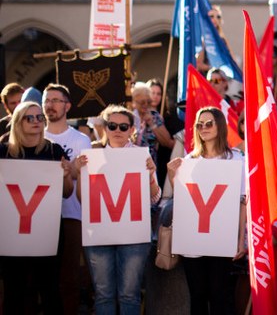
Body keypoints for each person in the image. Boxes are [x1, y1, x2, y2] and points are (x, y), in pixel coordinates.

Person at [74, 104, 160, 315]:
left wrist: (149, 176)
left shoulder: (142, 156)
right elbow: (83, 199)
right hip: (100, 234)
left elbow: (155, 198)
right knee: (103, 295)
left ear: (132, 130)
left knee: (129, 295)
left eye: (124, 126)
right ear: (105, 128)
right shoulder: (92, 155)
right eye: (112, 126)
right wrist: (79, 174)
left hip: (133, 236)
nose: (118, 131)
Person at [166, 107, 246, 315]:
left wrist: (240, 240)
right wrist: (172, 176)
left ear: (220, 126)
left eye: (209, 123)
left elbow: (242, 202)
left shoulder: (236, 159)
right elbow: (183, 201)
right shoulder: (189, 161)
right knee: (198, 296)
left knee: (221, 296)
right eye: (199, 125)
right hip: (193, 241)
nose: (204, 128)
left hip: (222, 239)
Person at [0, 101, 72, 314]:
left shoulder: (53, 150)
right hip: (11, 232)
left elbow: (67, 193)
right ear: (17, 122)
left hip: (47, 231)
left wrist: (66, 176)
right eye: (29, 118)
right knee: (14, 289)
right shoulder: (3, 152)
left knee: (49, 288)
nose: (36, 122)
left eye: (40, 117)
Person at [42, 84, 92, 315]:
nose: (49, 105)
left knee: (69, 277)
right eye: (46, 100)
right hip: (38, 216)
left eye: (55, 100)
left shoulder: (81, 140)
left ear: (67, 105)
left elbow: (81, 174)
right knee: (39, 277)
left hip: (71, 213)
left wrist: (68, 169)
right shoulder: (35, 134)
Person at [132, 82, 174, 187]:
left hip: (149, 164)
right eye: (142, 102)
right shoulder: (129, 117)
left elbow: (166, 141)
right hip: (131, 163)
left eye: (148, 102)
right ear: (134, 102)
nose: (145, 105)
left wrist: (151, 123)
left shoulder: (155, 116)